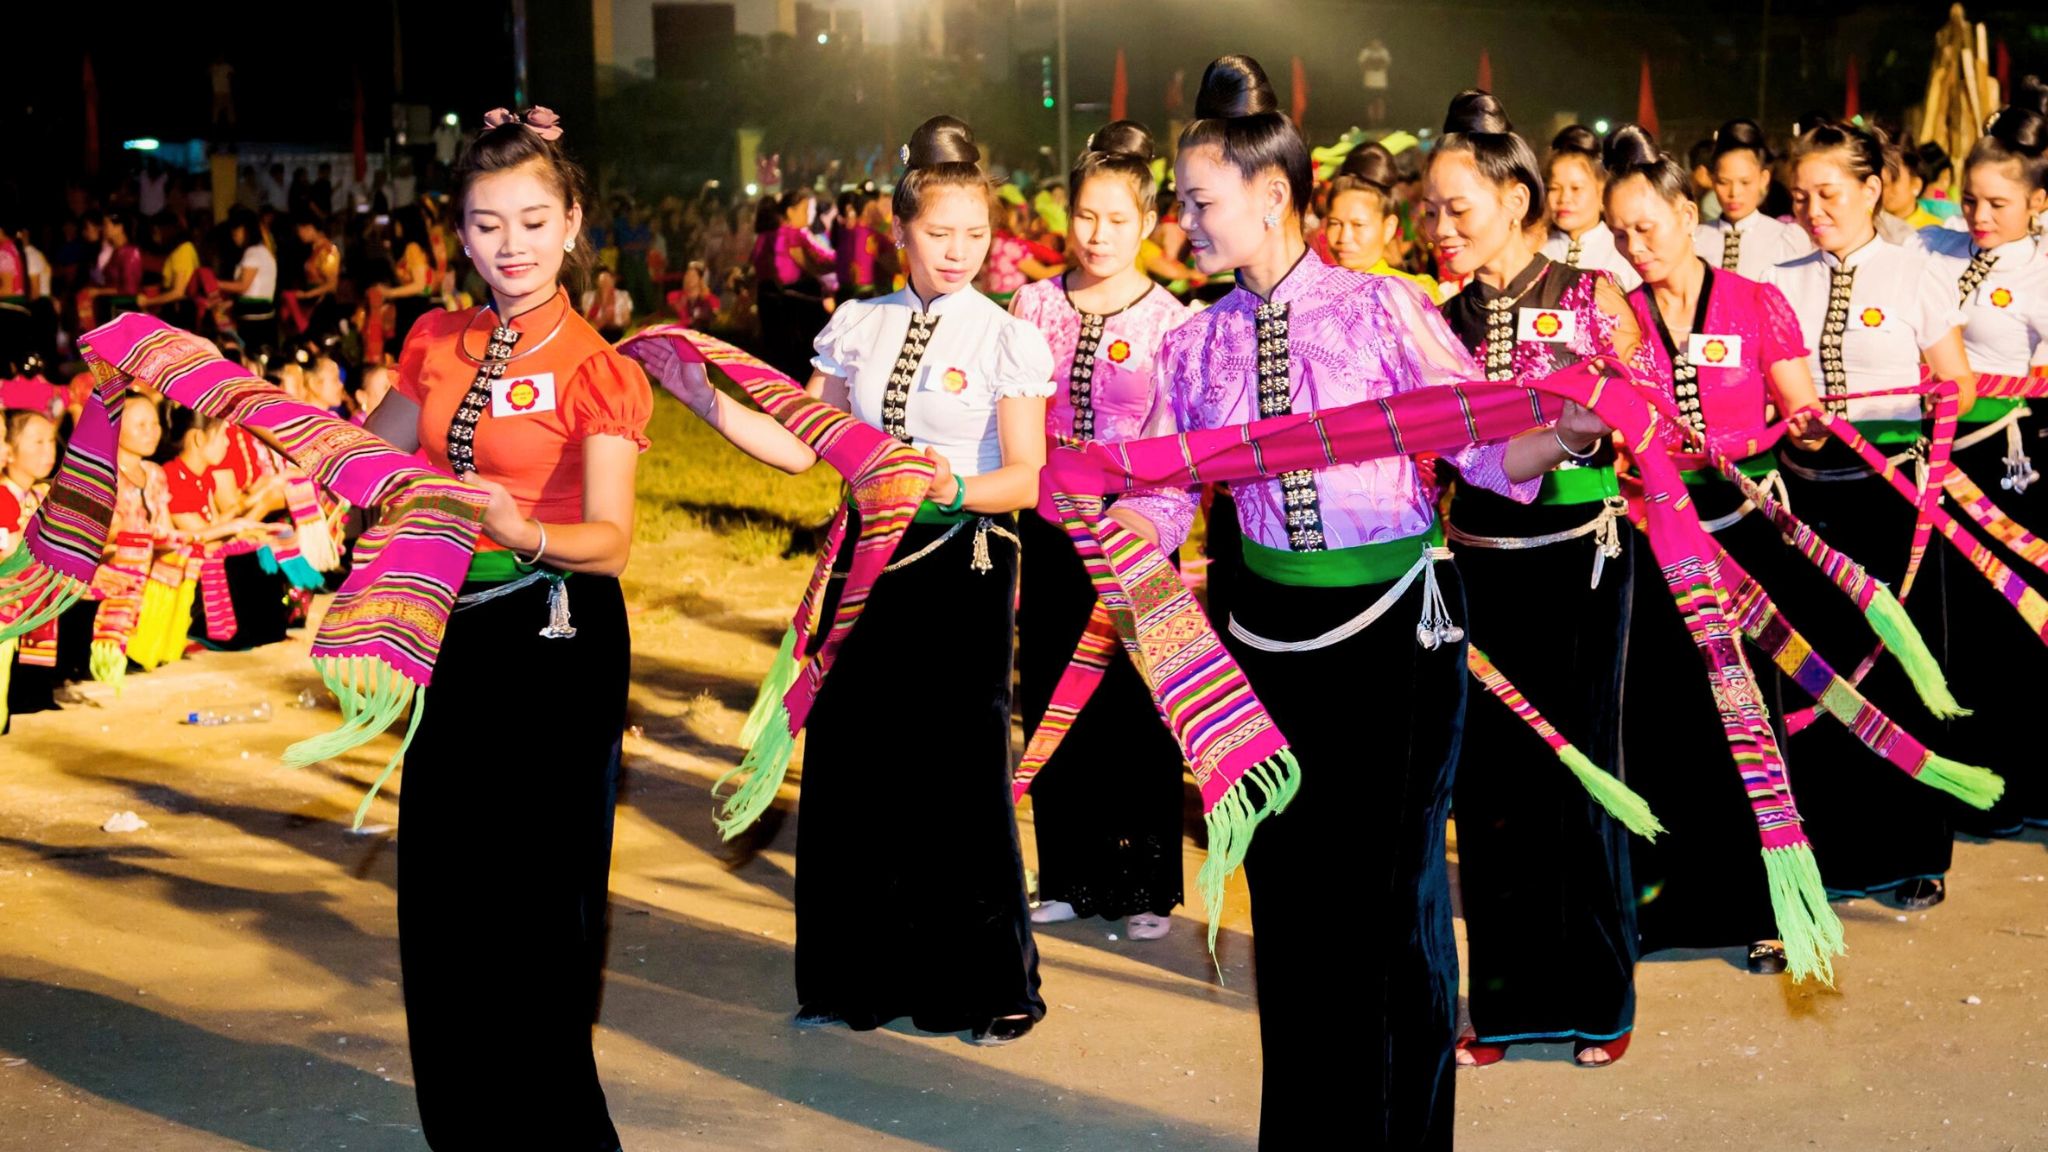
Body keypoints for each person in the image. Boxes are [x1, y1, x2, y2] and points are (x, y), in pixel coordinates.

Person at [1164, 59, 1609, 1147]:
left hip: (1396, 641)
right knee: (1288, 900)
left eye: (1199, 202)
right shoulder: (1193, 340)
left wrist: (1571, 431)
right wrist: (1089, 512)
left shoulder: (1382, 311)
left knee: (1386, 900)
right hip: (1264, 642)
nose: (1185, 225)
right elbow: (1162, 499)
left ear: (1271, 196)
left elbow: (1488, 451)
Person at [635, 113, 1055, 1048]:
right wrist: (704, 398)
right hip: (863, 559)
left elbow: (1027, 477)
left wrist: (949, 485)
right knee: (852, 762)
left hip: (963, 563)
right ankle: (852, 976)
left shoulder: (1006, 337)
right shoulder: (858, 324)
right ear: (899, 231)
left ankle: (987, 985)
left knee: (958, 771)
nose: (959, 251)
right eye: (939, 233)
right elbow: (800, 448)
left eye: (976, 234)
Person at [362, 104, 652, 1151]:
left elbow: (611, 541)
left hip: (559, 641)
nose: (511, 246)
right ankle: (468, 1129)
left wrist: (524, 529)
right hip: (454, 638)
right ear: (460, 232)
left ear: (572, 223)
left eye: (533, 222)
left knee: (539, 905)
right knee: (445, 891)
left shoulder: (598, 367)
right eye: (487, 225)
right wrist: (253, 414)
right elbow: (369, 459)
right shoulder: (434, 341)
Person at [1427, 91, 1649, 1070]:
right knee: (1490, 790)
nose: (1439, 227)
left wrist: (1588, 426)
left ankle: (1598, 1000)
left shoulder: (1590, 296)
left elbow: (1640, 406)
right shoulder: (1436, 320)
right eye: (1429, 210)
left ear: (1515, 200)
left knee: (1580, 775)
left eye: (1458, 208)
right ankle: (1507, 1007)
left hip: (1579, 562)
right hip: (1476, 568)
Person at [1603, 122, 1825, 976]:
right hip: (1654, 536)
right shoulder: (1615, 319)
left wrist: (1805, 428)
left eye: (1647, 227)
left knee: (1752, 718)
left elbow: (1799, 411)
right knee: (1662, 716)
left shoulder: (1754, 301)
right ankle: (1667, 907)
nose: (1635, 246)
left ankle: (1766, 908)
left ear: (1685, 217)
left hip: (1742, 533)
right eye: (1621, 233)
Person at [1765, 117, 1976, 910]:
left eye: (1828, 193)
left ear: (1872, 189)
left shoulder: (1914, 271)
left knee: (1899, 666)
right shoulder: (1778, 279)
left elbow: (1959, 383)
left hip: (1891, 500)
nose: (1813, 210)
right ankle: (1834, 847)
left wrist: (1915, 415)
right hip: (1805, 497)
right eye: (1800, 196)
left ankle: (1913, 850)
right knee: (1815, 665)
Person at [1008, 120, 1194, 940]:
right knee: (1053, 694)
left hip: (1138, 531)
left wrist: (1143, 522)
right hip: (1052, 530)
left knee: (1141, 706)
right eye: (1086, 215)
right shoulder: (1033, 304)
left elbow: (1175, 445)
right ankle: (1068, 875)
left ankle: (1146, 883)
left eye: (1118, 219)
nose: (1098, 234)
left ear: (1147, 222)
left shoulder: (1174, 320)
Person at [1916, 78, 2048, 836]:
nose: (1980, 216)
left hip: (2006, 467)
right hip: (1929, 465)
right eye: (1970, 201)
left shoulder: (2040, 270)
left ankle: (2025, 781)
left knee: (2013, 623)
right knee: (1952, 627)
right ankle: (1967, 779)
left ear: (2036, 203)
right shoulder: (1931, 248)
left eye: (1999, 203)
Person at [1696, 120, 1813, 280]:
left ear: (1764, 179)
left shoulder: (1786, 239)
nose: (1734, 193)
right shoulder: (1695, 239)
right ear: (1713, 180)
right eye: (1723, 182)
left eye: (1745, 182)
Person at [1322, 141, 1440, 297]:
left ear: (1389, 227)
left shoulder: (1413, 293)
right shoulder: (1313, 292)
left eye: (1358, 225)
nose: (1344, 237)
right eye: (1335, 223)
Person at [1541, 125, 1641, 290]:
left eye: (1576, 188)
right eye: (1554, 188)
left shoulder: (1622, 250)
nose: (1564, 198)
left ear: (1602, 193)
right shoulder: (1536, 249)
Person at [580, 266, 633, 340]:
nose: (605, 283)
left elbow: (627, 321)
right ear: (596, 281)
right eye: (602, 280)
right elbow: (585, 320)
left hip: (617, 332)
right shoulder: (588, 296)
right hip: (595, 333)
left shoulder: (622, 296)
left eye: (608, 279)